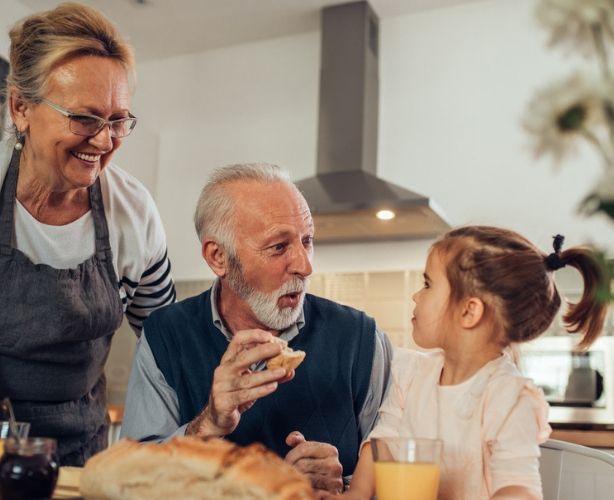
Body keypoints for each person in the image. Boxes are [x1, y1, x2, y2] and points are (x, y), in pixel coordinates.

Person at [0, 3, 175, 466]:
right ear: (21, 108)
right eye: (84, 118)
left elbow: (168, 343)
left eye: (118, 120)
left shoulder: (135, 211)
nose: (104, 142)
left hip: (71, 451)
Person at [121, 164, 393, 494]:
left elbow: (399, 478)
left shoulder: (362, 341)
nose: (305, 266)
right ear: (218, 257)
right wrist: (208, 424)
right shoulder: (165, 337)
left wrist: (346, 488)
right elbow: (131, 484)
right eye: (278, 247)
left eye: (307, 241)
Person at [336, 227, 609, 500]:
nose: (416, 296)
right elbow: (382, 443)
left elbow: (518, 487)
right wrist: (357, 493)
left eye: (428, 284)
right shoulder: (411, 374)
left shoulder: (508, 398)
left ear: (469, 311)